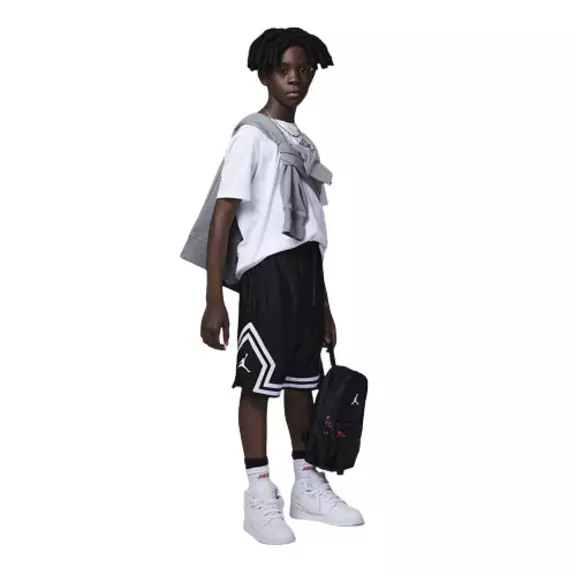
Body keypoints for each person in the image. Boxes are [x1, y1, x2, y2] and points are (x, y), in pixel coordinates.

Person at [199, 27, 364, 545]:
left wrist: (325, 306)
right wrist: (213, 300)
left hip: (306, 275)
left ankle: (306, 484)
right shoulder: (252, 136)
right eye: (283, 70)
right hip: (268, 274)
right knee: (259, 382)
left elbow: (311, 230)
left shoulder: (303, 144)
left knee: (302, 381)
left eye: (304, 71)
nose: (295, 80)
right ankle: (258, 492)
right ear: (264, 74)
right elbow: (223, 218)